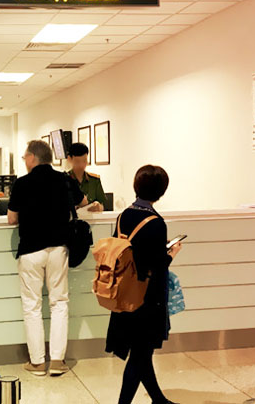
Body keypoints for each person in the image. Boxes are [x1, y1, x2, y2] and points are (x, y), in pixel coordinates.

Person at [7, 140, 89, 377]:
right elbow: (83, 202)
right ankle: (57, 361)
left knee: (32, 306)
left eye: (25, 157)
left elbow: (12, 219)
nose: (24, 160)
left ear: (33, 157)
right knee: (59, 303)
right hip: (59, 249)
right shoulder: (64, 180)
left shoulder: (22, 183)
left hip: (31, 250)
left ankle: (36, 362)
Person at [106, 165, 181, 404]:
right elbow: (157, 264)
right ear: (161, 191)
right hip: (147, 297)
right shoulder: (156, 222)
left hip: (125, 292)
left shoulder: (123, 215)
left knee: (142, 351)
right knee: (140, 354)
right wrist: (171, 253)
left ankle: (158, 399)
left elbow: (130, 251)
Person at [66, 142, 106, 212]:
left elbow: (103, 205)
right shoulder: (64, 180)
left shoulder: (94, 180)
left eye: (84, 161)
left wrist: (99, 207)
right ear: (70, 159)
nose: (81, 165)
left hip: (91, 221)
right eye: (77, 162)